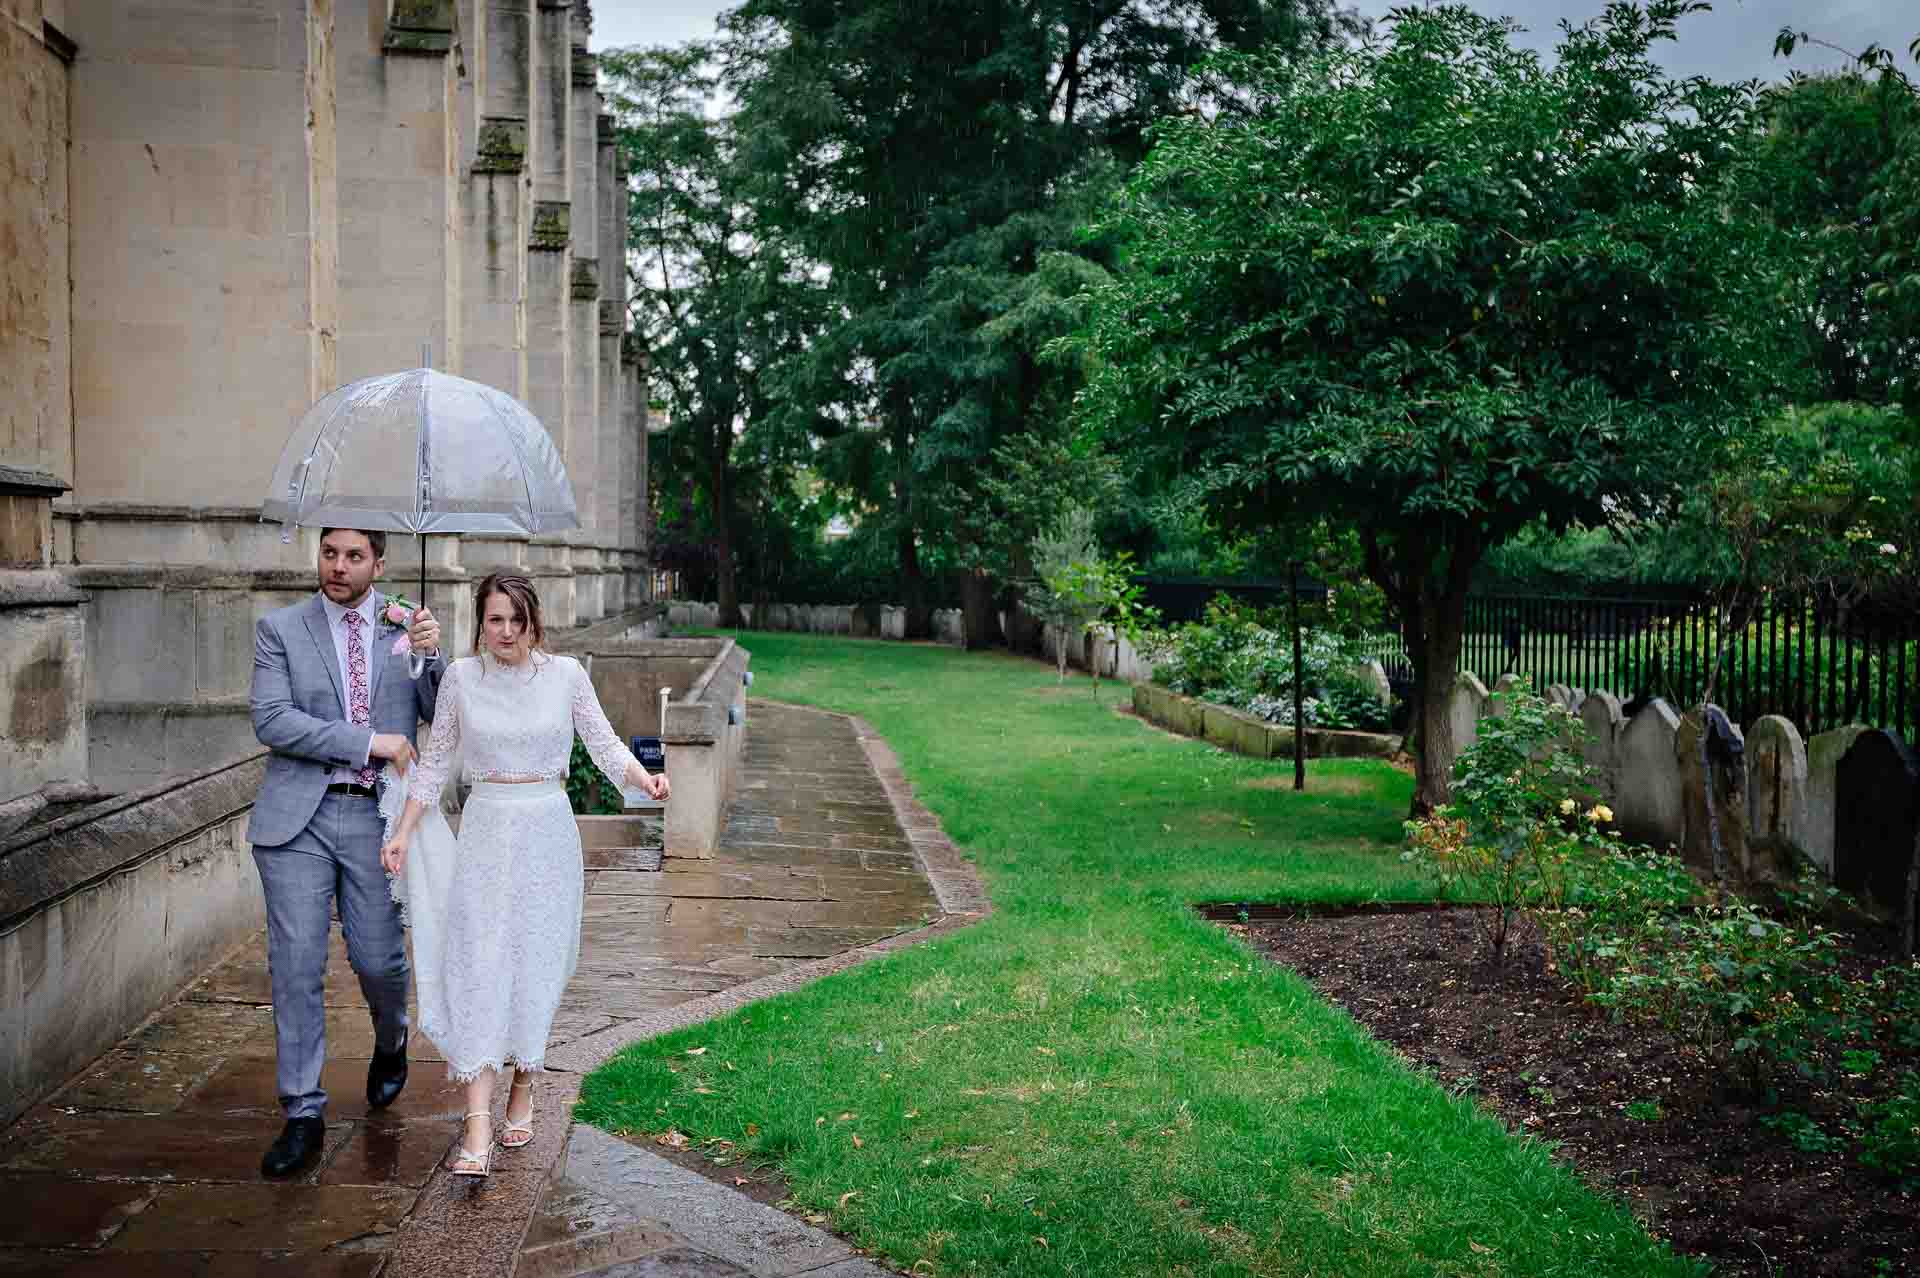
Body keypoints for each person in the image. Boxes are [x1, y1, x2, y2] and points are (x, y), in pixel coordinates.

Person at [379, 572, 669, 1178]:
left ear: (532, 620)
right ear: (479, 623)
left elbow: (605, 742)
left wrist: (644, 780)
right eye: (494, 620)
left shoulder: (565, 677)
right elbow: (433, 766)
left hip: (547, 833)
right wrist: (404, 830)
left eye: (516, 619)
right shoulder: (460, 679)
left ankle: (524, 1084)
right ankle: (477, 1128)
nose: (505, 632)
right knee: (481, 966)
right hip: (486, 830)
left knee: (537, 962)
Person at [246, 527, 446, 1178]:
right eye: (329, 552)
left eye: (354, 556)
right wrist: (368, 742)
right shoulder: (280, 629)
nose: (338, 566)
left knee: (377, 959)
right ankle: (302, 1112)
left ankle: (392, 1038)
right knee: (297, 965)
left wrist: (431, 658)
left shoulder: (403, 626)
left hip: (377, 818)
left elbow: (443, 720)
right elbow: (272, 720)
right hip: (296, 819)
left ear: (379, 564)